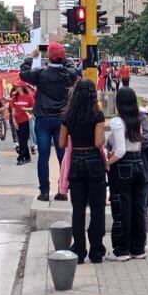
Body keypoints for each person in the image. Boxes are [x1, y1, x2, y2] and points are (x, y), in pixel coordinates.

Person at [20, 42, 79, 202]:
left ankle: (44, 192)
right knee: (63, 157)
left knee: (43, 157)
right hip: (61, 120)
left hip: (43, 119)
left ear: (49, 57)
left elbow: (23, 73)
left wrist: (31, 57)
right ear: (63, 57)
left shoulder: (41, 74)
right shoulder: (68, 75)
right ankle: (63, 190)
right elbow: (73, 69)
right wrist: (63, 57)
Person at [60, 79, 108, 263]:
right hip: (94, 162)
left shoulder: (68, 115)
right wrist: (102, 135)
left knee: (78, 209)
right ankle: (96, 250)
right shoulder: (97, 114)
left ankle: (79, 249)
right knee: (97, 208)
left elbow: (63, 143)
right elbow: (98, 142)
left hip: (76, 161)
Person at [106, 86, 148, 261]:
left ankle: (121, 250)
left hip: (123, 167)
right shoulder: (138, 119)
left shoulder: (118, 122)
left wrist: (107, 162)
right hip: (138, 163)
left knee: (122, 208)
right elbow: (137, 145)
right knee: (138, 207)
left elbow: (120, 150)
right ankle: (138, 248)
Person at [11, 81, 35, 165]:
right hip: (17, 121)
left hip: (26, 120)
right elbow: (13, 110)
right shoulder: (15, 97)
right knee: (22, 140)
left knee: (22, 140)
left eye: (17, 86)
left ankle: (21, 158)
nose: (16, 88)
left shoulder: (29, 97)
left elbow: (34, 108)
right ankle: (27, 157)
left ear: (21, 87)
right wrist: (14, 121)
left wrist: (26, 109)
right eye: (15, 86)